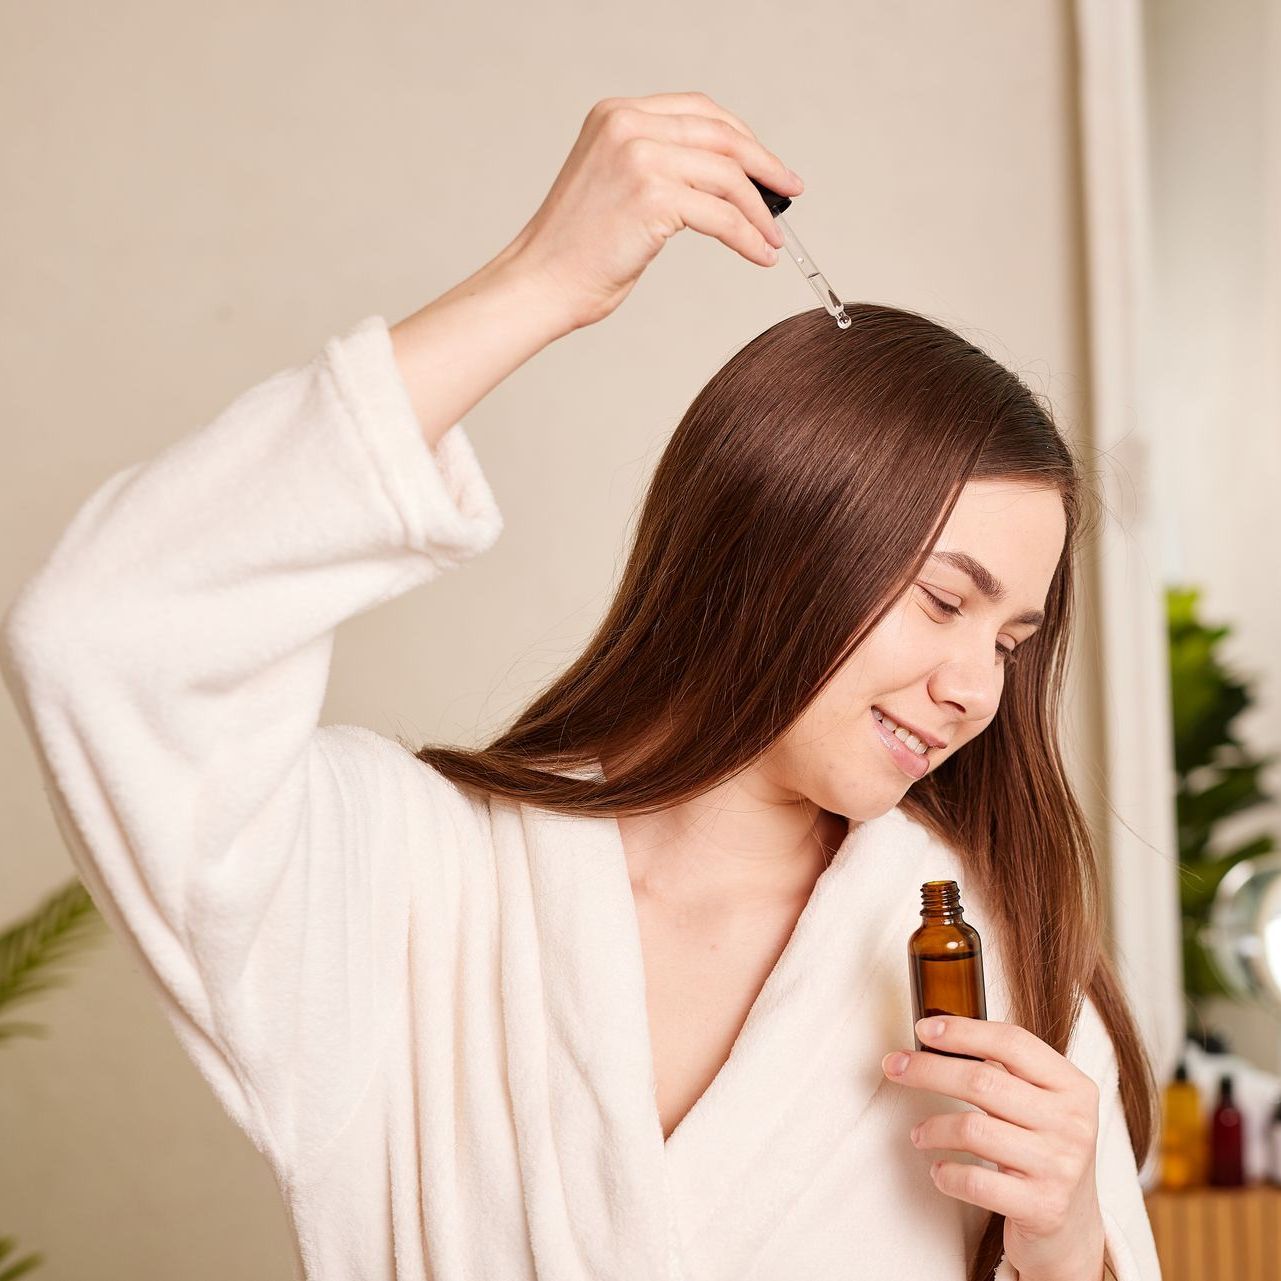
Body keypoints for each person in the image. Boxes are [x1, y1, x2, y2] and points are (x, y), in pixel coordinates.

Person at [1, 91, 1156, 1280]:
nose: (977, 688)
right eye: (941, 600)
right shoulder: (414, 892)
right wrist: (540, 281)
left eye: (1013, 642)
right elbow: (106, 637)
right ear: (778, 544)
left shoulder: (990, 949)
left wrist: (1070, 1252)